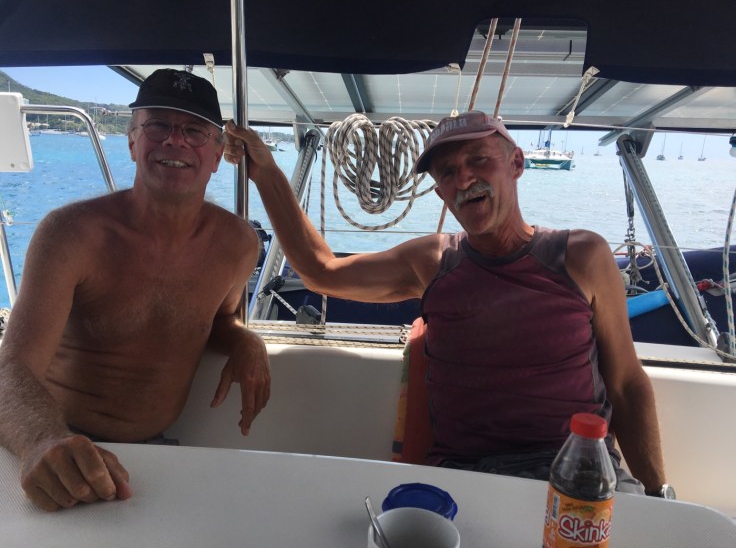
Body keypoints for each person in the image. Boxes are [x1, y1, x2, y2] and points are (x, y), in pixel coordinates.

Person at [223, 110, 668, 496]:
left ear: (516, 163)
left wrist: (657, 496)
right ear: (440, 193)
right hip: (467, 476)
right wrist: (266, 171)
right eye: (448, 172)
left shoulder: (582, 256)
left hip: (580, 475)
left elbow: (627, 384)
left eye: (479, 160)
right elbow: (320, 272)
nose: (464, 179)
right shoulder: (433, 262)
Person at [0, 69, 271, 512]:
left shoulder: (238, 244)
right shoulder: (71, 235)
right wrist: (43, 440)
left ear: (217, 155)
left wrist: (245, 339)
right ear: (131, 142)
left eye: (195, 131)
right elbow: (13, 367)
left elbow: (219, 320)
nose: (175, 141)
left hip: (158, 453)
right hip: (57, 441)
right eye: (158, 126)